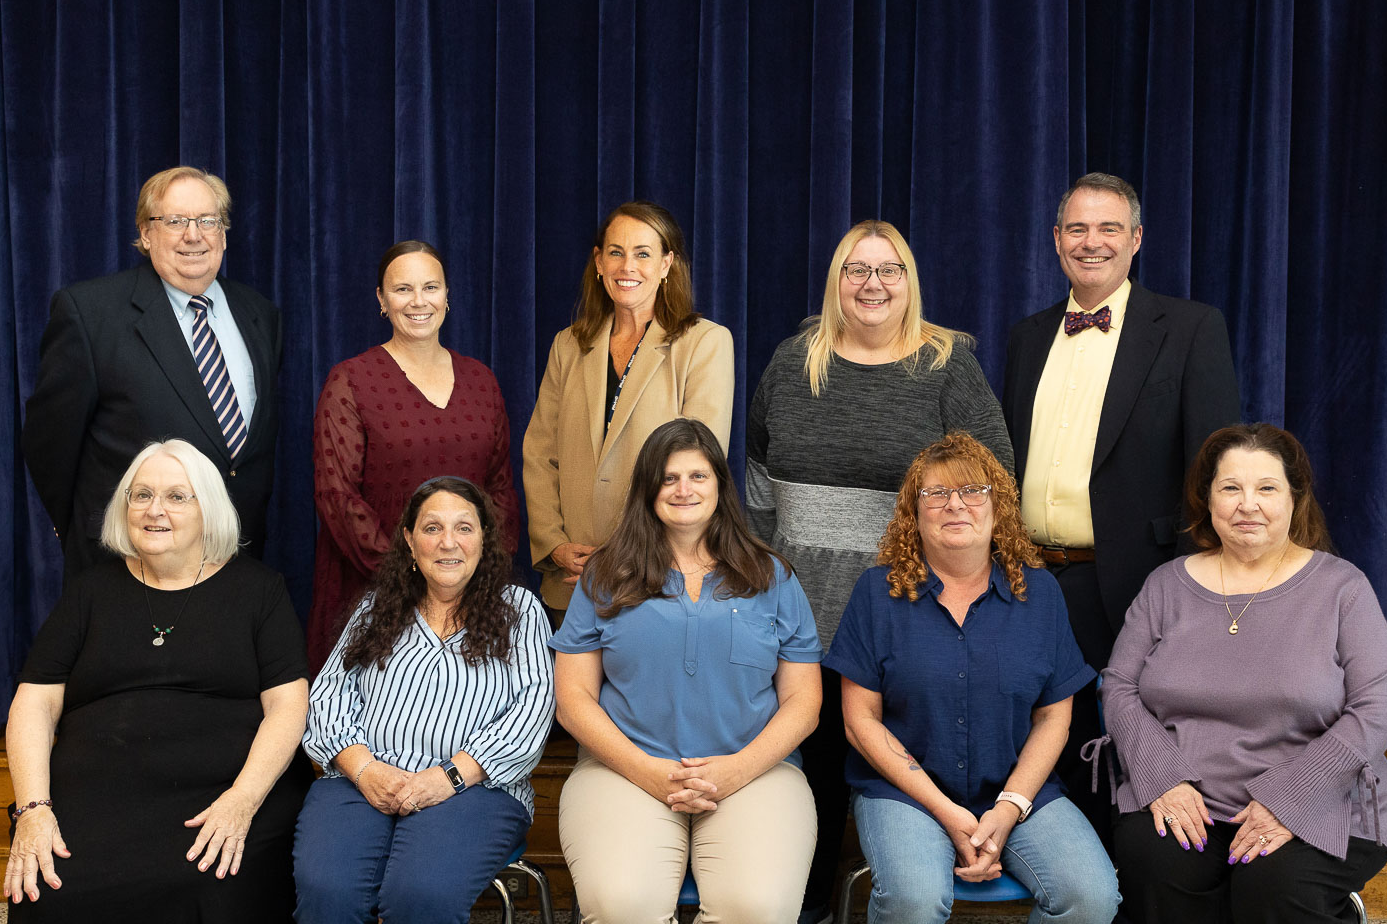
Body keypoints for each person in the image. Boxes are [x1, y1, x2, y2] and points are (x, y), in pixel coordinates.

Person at [746, 218, 1013, 922]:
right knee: (803, 782)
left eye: (888, 269)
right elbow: (756, 492)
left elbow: (993, 484)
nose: (872, 284)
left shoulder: (946, 365)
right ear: (836, 282)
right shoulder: (792, 361)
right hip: (794, 612)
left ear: (909, 282)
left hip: (904, 616)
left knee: (881, 777)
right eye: (856, 270)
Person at [1001, 172, 1240, 840]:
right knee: (1052, 744)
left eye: (1108, 228)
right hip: (1034, 582)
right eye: (1076, 227)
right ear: (1054, 241)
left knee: (1132, 756)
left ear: (1134, 240)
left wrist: (1198, 590)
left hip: (1141, 579)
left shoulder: (1190, 328)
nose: (1091, 241)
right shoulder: (1026, 337)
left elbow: (1214, 469)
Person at [4, 439, 311, 922]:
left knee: (210, 889)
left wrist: (241, 801)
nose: (154, 510)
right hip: (99, 796)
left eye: (176, 496)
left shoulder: (259, 591)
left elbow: (289, 707)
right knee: (56, 891)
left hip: (223, 792)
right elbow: (34, 703)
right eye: (141, 494)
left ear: (207, 508)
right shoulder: (90, 592)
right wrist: (34, 809)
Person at [826, 432, 1119, 923]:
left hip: (1016, 791)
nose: (954, 505)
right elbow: (860, 723)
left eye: (971, 491)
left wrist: (1007, 810)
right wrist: (946, 811)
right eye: (936, 494)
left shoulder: (1041, 594)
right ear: (913, 514)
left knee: (1090, 897)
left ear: (997, 506)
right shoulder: (876, 593)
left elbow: (1053, 718)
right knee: (914, 900)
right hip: (907, 794)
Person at [1100, 423, 1387, 923]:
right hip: (1184, 796)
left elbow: (1376, 705)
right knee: (1158, 865)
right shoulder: (1165, 586)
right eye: (1231, 487)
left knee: (1272, 886)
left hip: (1320, 797)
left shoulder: (1345, 589)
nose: (1247, 504)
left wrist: (1290, 799)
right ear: (1207, 499)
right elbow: (1120, 686)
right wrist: (1161, 778)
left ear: (1295, 499)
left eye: (1267, 488)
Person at [551, 419, 822, 923]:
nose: (684, 489)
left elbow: (804, 703)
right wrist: (646, 771)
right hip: (625, 770)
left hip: (755, 773)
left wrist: (736, 770)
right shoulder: (605, 575)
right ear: (647, 489)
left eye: (698, 475)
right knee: (621, 907)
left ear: (720, 483)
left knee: (757, 909)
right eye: (669, 477)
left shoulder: (773, 576)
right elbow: (573, 699)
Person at [294, 476, 554, 924]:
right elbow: (328, 697)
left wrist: (446, 778)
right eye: (432, 528)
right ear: (410, 543)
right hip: (363, 779)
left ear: (485, 539)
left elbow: (531, 713)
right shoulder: (377, 608)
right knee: (327, 890)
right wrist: (365, 770)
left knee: (421, 894)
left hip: (476, 789)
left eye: (464, 527)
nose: (448, 542)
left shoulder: (520, 610)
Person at [23, 166, 282, 582]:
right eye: (175, 221)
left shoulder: (260, 315)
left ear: (224, 233)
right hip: (129, 564)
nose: (193, 235)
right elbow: (49, 443)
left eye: (207, 221)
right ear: (146, 234)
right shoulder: (90, 313)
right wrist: (78, 529)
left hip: (235, 560)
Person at [307, 240, 520, 669]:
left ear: (447, 296)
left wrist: (474, 570)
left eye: (431, 287)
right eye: (403, 289)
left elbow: (499, 487)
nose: (419, 301)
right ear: (382, 301)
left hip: (470, 588)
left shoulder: (481, 379)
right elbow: (338, 497)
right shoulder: (351, 380)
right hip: (374, 588)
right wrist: (412, 574)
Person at [523, 201, 734, 615]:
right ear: (598, 262)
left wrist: (627, 555)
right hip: (571, 580)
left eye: (643, 253)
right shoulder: (568, 345)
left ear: (666, 263)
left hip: (657, 577)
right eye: (615, 252)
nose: (627, 266)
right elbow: (539, 454)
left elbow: (699, 469)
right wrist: (556, 545)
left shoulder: (704, 343)